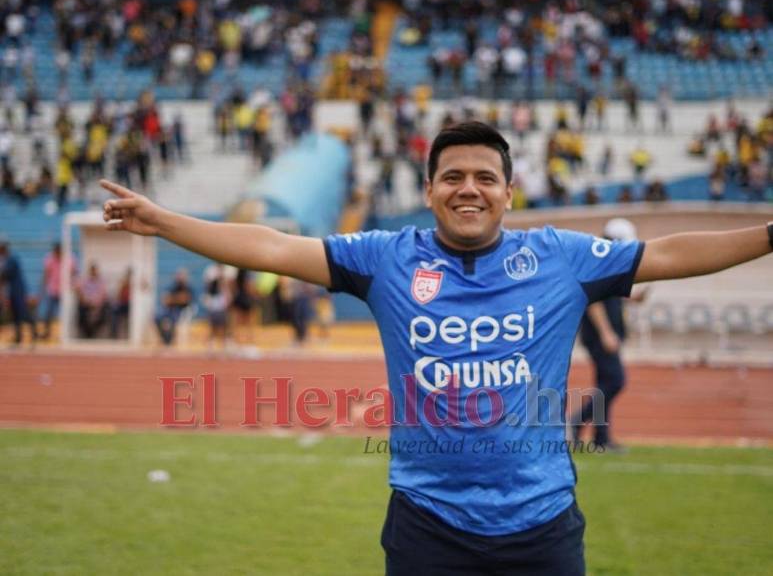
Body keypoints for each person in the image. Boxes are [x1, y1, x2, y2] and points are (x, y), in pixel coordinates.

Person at [100, 121, 773, 575]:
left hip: (541, 527)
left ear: (508, 193)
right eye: (452, 176)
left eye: (485, 176)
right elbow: (272, 246)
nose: (468, 188)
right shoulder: (384, 259)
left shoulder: (561, 258)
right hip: (427, 526)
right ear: (428, 191)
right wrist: (163, 222)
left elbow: (664, 254)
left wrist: (767, 234)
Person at [569, 219, 646, 453]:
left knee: (605, 383)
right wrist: (606, 333)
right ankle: (576, 422)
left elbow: (610, 295)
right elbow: (594, 301)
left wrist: (633, 299)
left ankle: (602, 438)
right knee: (615, 381)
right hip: (600, 335)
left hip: (605, 334)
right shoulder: (598, 264)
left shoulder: (605, 263)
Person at [0, 237, 38, 345]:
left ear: (4, 249)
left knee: (23, 313)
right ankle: (18, 337)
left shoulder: (12, 259)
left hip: (18, 291)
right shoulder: (6, 260)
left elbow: (5, 275)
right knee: (15, 315)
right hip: (12, 291)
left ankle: (34, 333)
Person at [156, 268, 193, 346]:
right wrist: (176, 298)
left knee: (173, 320)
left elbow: (185, 299)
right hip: (170, 309)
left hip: (181, 310)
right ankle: (165, 339)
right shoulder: (173, 287)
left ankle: (169, 340)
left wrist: (173, 299)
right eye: (178, 276)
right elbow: (165, 299)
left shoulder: (188, 288)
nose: (179, 278)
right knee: (157, 317)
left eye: (182, 276)